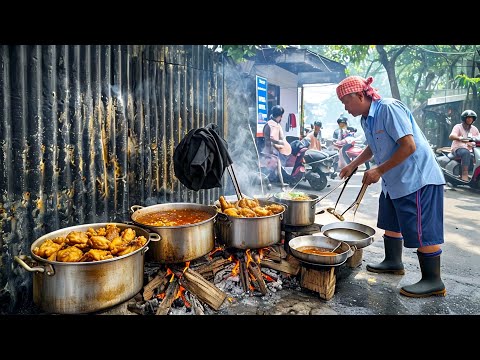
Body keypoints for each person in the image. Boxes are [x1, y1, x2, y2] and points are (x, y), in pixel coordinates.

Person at [336, 75, 446, 298]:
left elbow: (408, 146)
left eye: (346, 101)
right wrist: (353, 165)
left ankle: (433, 281)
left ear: (359, 95)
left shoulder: (388, 108)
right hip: (394, 180)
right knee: (391, 220)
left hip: (417, 178)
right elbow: (373, 145)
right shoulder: (366, 119)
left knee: (422, 230)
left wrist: (378, 170)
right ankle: (393, 261)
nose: (345, 108)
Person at [262, 105, 291, 190]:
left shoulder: (269, 123)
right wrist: (281, 142)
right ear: (280, 116)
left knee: (276, 169)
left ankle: (282, 186)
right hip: (271, 151)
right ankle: (267, 185)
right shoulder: (273, 124)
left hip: (269, 150)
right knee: (269, 170)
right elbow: (272, 138)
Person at [448, 109, 479, 181]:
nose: (470, 119)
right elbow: (451, 136)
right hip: (458, 148)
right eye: (468, 117)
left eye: (471, 118)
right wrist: (460, 138)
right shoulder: (458, 127)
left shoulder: (474, 129)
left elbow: (478, 137)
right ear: (464, 118)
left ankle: (473, 174)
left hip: (471, 149)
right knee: (466, 153)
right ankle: (464, 173)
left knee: (474, 156)